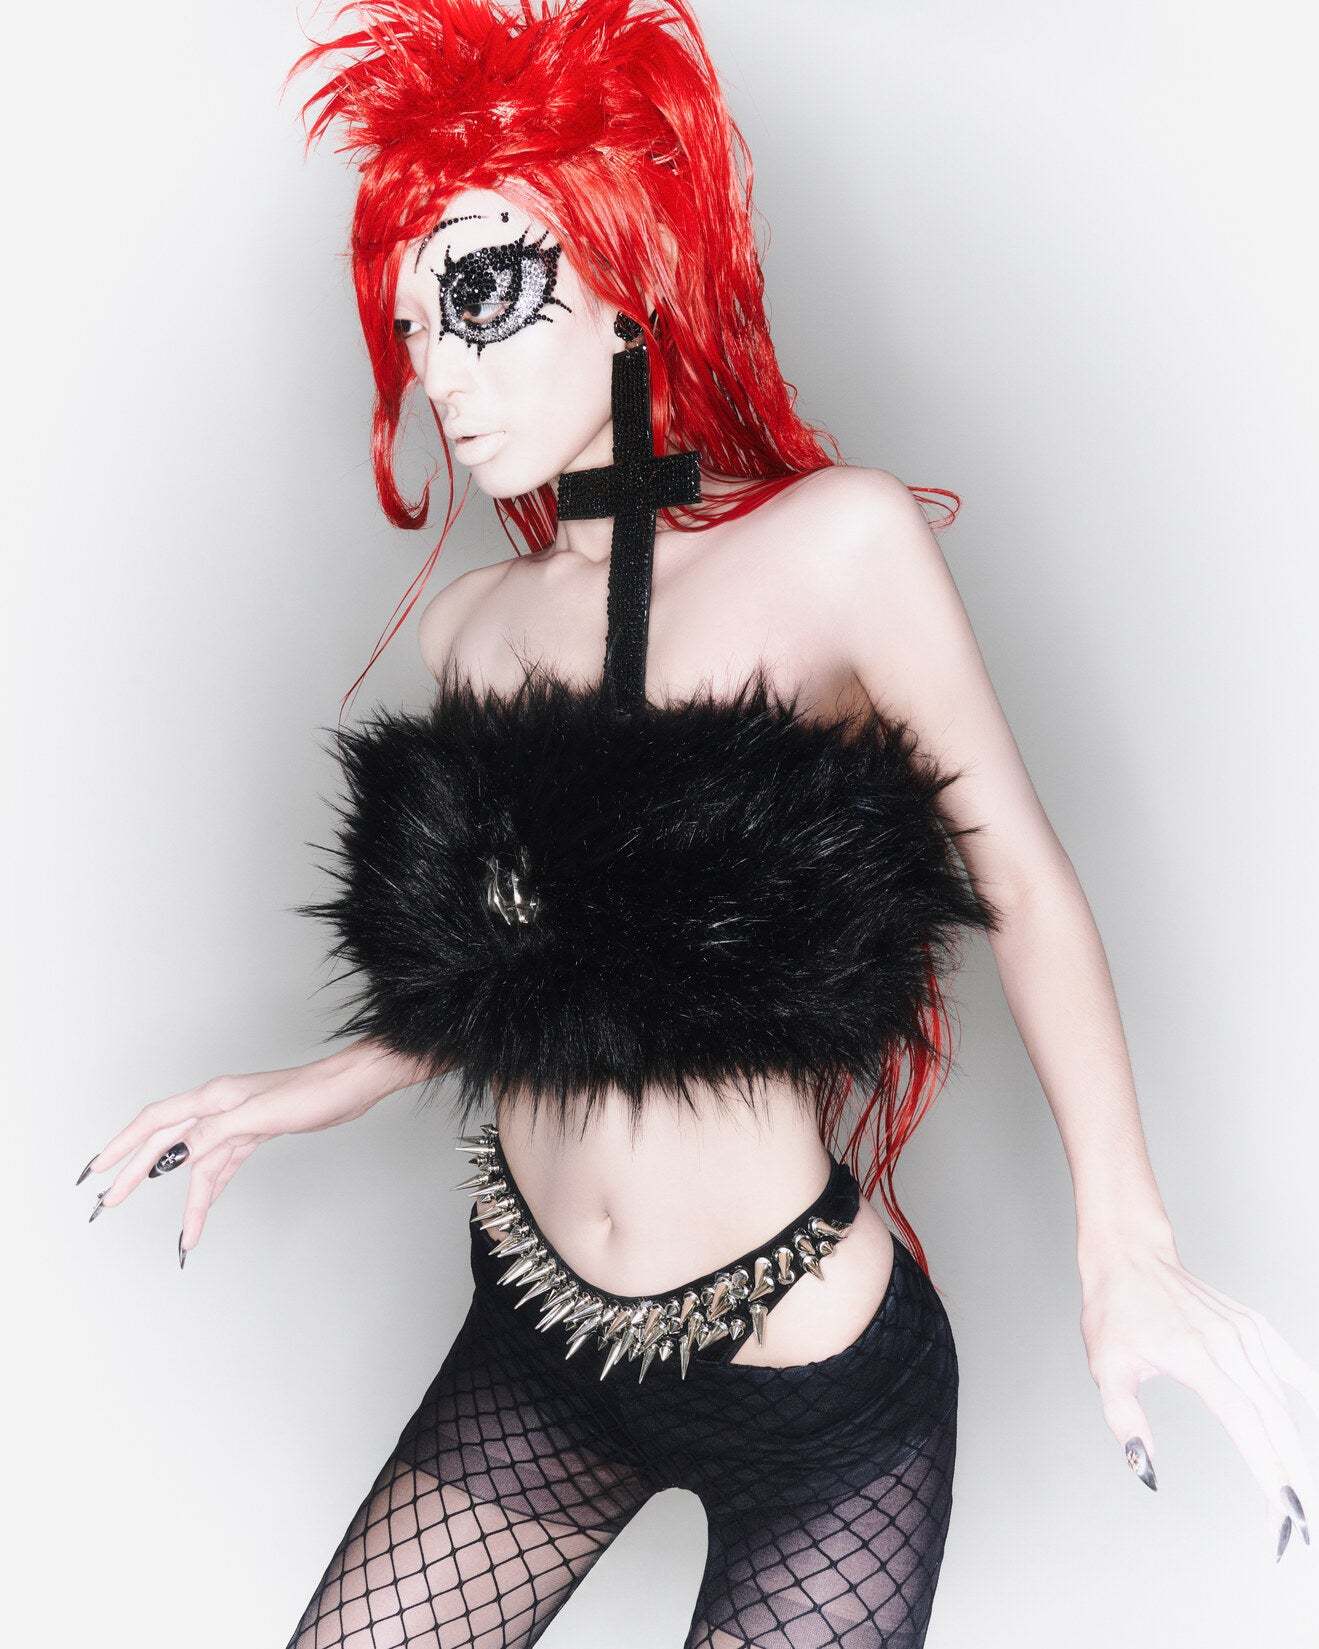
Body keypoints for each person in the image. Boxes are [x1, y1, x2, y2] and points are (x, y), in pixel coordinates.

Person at [75, 2, 1316, 1645]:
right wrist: (303, 1088)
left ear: (623, 259)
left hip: (814, 1398)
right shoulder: (477, 632)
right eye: (411, 328)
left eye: (481, 295)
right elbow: (531, 964)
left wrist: (1126, 1240)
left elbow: (1016, 870)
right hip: (537, 1342)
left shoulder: (840, 549)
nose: (441, 373)